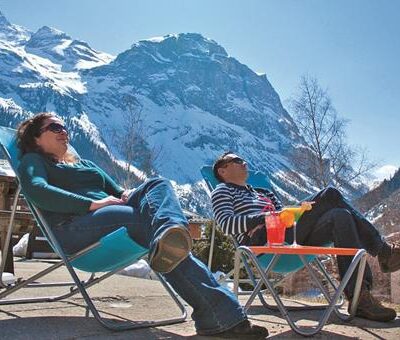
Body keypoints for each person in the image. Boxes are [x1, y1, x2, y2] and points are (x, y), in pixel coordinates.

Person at [16, 113, 269, 339]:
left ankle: (170, 234)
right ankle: (222, 316)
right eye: (55, 127)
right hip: (74, 229)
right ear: (36, 138)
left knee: (158, 185)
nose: (64, 131)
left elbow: (119, 193)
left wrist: (129, 197)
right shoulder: (34, 161)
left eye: (64, 126)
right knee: (151, 229)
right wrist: (91, 205)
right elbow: (36, 190)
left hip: (110, 219)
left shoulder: (85, 165)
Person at [211, 151, 400, 322]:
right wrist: (267, 217)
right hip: (265, 243)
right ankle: (383, 252)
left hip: (290, 235)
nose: (243, 162)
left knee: (341, 216)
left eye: (243, 159)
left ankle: (360, 298)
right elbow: (227, 225)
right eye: (236, 160)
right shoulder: (222, 191)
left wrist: (292, 213)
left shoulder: (264, 193)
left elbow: (284, 217)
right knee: (330, 194)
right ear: (223, 171)